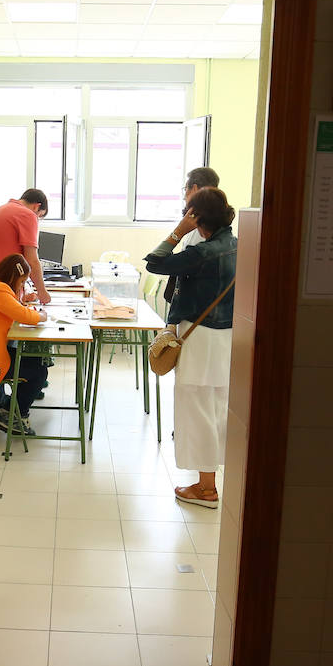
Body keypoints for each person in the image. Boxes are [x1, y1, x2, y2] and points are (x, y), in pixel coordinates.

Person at [143, 187, 237, 509]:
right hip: (228, 339)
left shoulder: (203, 252)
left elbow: (155, 263)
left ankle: (206, 488)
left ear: (195, 216)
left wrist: (178, 232)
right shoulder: (238, 246)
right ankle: (211, 481)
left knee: (196, 412)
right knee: (216, 410)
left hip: (200, 340)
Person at [0, 253, 50, 435]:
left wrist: (22, 301)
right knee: (38, 371)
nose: (21, 286)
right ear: (13, 277)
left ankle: (7, 408)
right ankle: (12, 415)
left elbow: (13, 308)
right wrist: (43, 315)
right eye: (22, 282)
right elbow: (26, 316)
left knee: (35, 363)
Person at [161, 166, 220, 306]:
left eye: (185, 189)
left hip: (193, 309)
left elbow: (155, 262)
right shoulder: (216, 224)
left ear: (194, 189)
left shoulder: (198, 227)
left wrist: (177, 233)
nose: (184, 196)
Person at [0, 188, 52, 305]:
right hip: (3, 285)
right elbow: (32, 260)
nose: (37, 219)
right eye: (39, 216)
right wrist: (42, 293)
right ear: (36, 207)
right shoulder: (27, 215)